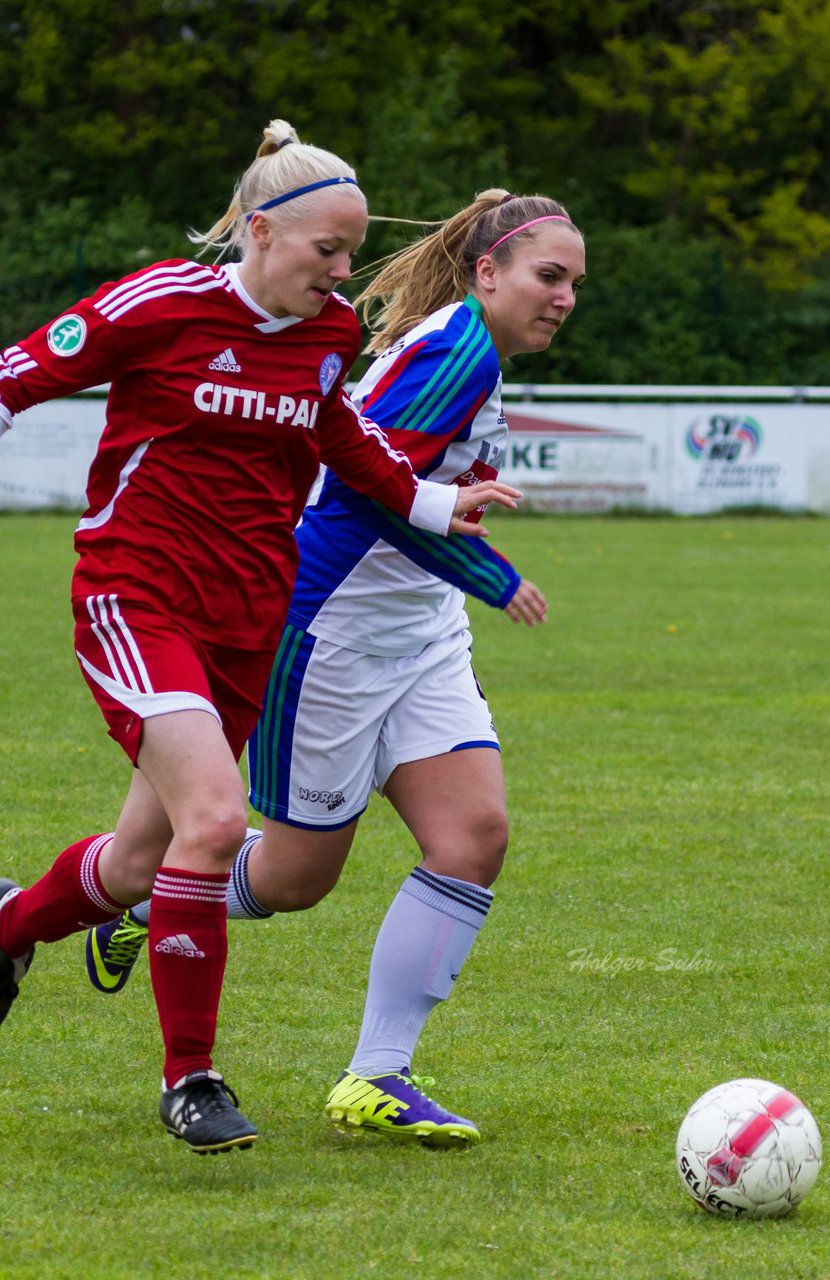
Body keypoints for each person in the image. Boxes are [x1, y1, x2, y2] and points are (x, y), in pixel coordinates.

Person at [0, 123, 520, 1156]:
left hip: (247, 619)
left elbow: (343, 442)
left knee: (141, 862)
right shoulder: (159, 303)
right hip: (136, 596)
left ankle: (12, 926)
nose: (341, 276)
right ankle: (189, 1075)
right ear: (258, 228)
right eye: (326, 250)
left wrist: (432, 501)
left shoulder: (324, 335)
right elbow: (14, 375)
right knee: (216, 817)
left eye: (349, 253)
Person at [84, 186, 586, 1148]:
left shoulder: (469, 347)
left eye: (573, 283)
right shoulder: (455, 352)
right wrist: (492, 572)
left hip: (417, 631)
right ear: (490, 273)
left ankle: (378, 1077)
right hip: (333, 632)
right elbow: (364, 496)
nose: (563, 297)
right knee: (295, 877)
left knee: (473, 835)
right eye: (547, 276)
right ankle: (149, 895)